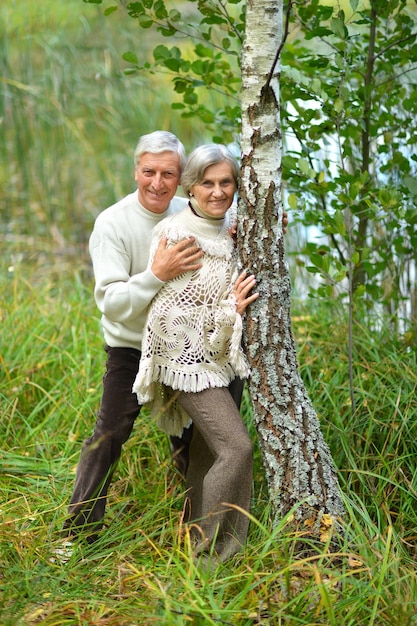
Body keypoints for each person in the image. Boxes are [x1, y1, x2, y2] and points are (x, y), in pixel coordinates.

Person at [62, 130, 288, 544]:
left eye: (168, 173)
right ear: (136, 171)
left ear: (181, 178)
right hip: (133, 346)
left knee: (195, 444)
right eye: (149, 171)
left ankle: (196, 533)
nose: (158, 183)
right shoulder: (113, 223)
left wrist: (264, 227)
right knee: (111, 433)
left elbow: (219, 218)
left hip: (199, 348)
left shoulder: (190, 207)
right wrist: (155, 275)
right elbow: (112, 302)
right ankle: (77, 533)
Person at [133, 144, 259, 565]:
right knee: (236, 448)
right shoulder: (177, 234)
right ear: (190, 187)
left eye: (226, 183)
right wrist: (231, 311)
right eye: (208, 183)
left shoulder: (227, 228)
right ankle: (214, 556)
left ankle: (194, 543)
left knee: (207, 453)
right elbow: (172, 311)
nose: (218, 192)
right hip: (184, 360)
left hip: (221, 357)